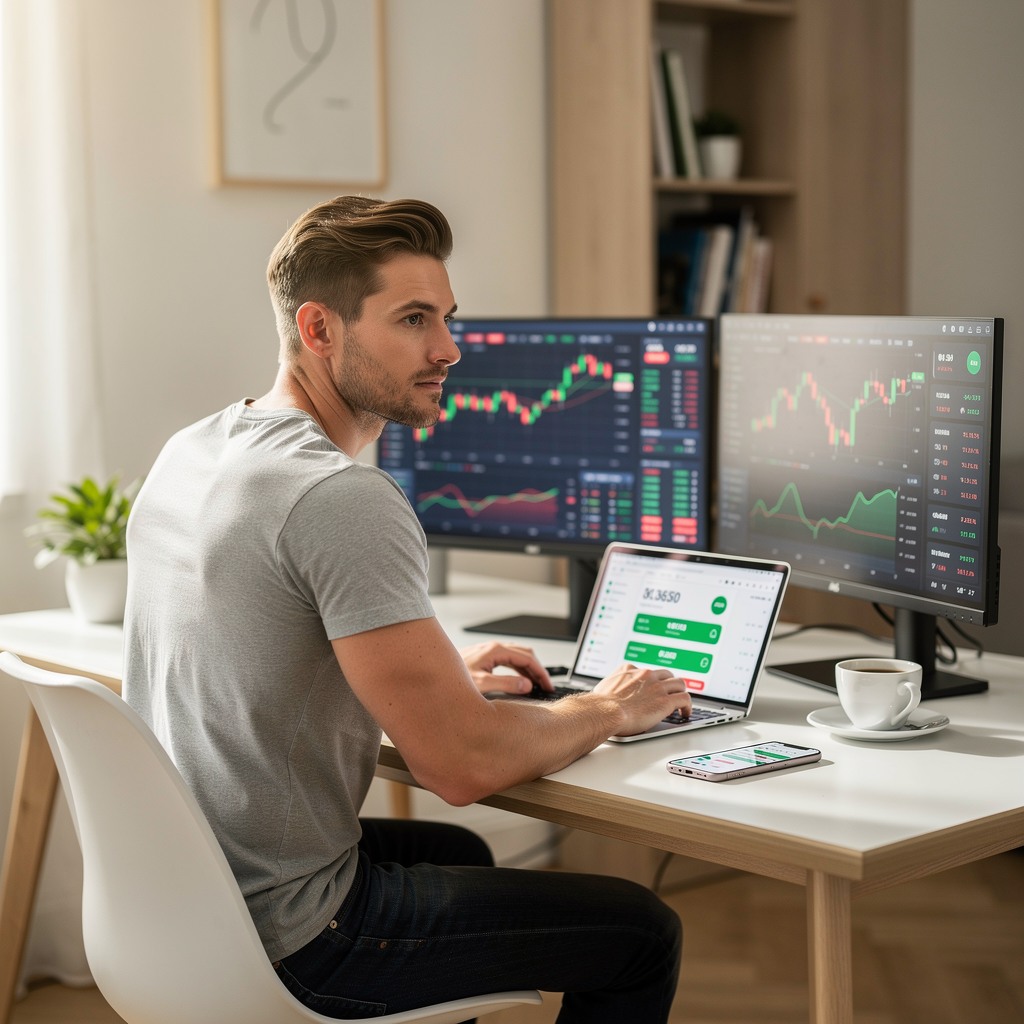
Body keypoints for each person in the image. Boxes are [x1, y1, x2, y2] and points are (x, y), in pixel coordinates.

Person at [123, 195, 691, 1022]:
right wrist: (604, 707)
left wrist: (429, 676)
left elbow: (253, 638)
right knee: (642, 932)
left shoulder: (196, 448)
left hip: (188, 897)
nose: (449, 349)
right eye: (415, 320)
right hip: (292, 935)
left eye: (448, 319)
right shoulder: (339, 494)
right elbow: (459, 767)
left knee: (453, 853)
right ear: (319, 330)